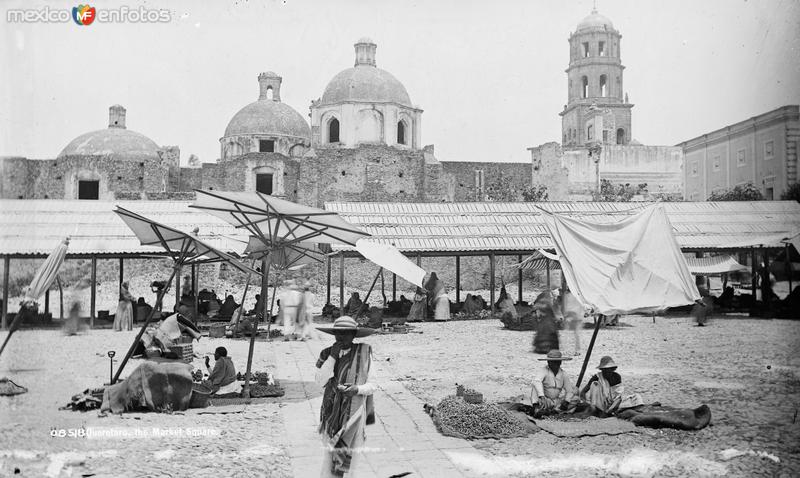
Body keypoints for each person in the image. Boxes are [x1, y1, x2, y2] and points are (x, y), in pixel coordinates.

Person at [315, 316, 377, 477]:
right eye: (338, 333)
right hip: (331, 414)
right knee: (329, 458)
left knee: (352, 460)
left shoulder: (364, 352)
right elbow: (320, 381)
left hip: (354, 415)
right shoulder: (327, 353)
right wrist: (333, 357)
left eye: (347, 333)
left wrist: (356, 389)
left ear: (354, 334)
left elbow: (373, 385)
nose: (342, 337)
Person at [579, 356, 643, 414]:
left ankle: (612, 409)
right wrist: (585, 402)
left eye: (610, 369)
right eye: (605, 370)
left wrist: (611, 408)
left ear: (613, 369)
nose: (608, 372)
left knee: (636, 397)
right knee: (595, 384)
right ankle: (597, 409)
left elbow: (619, 396)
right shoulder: (597, 377)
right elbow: (583, 392)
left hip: (614, 402)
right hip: (600, 403)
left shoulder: (616, 377)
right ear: (602, 370)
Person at [531, 349, 577, 415]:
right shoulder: (543, 370)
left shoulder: (563, 374)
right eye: (552, 362)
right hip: (545, 400)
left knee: (575, 397)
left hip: (556, 401)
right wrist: (542, 396)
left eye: (556, 362)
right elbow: (537, 381)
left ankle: (554, 411)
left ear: (560, 362)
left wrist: (567, 401)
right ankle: (537, 408)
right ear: (548, 362)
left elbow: (569, 390)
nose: (554, 364)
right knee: (535, 385)